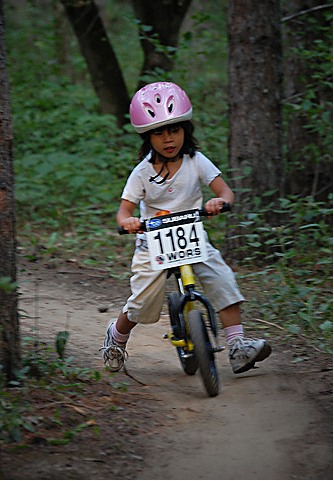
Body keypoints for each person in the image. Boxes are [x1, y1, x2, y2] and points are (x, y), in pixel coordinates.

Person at [100, 81, 271, 374]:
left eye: (175, 130)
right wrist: (127, 222)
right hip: (152, 241)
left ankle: (237, 345)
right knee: (141, 301)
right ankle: (116, 337)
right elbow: (124, 210)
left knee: (222, 278)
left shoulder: (196, 162)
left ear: (185, 131)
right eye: (159, 132)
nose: (169, 139)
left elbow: (225, 191)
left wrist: (220, 201)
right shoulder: (141, 173)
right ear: (147, 137)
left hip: (191, 235)